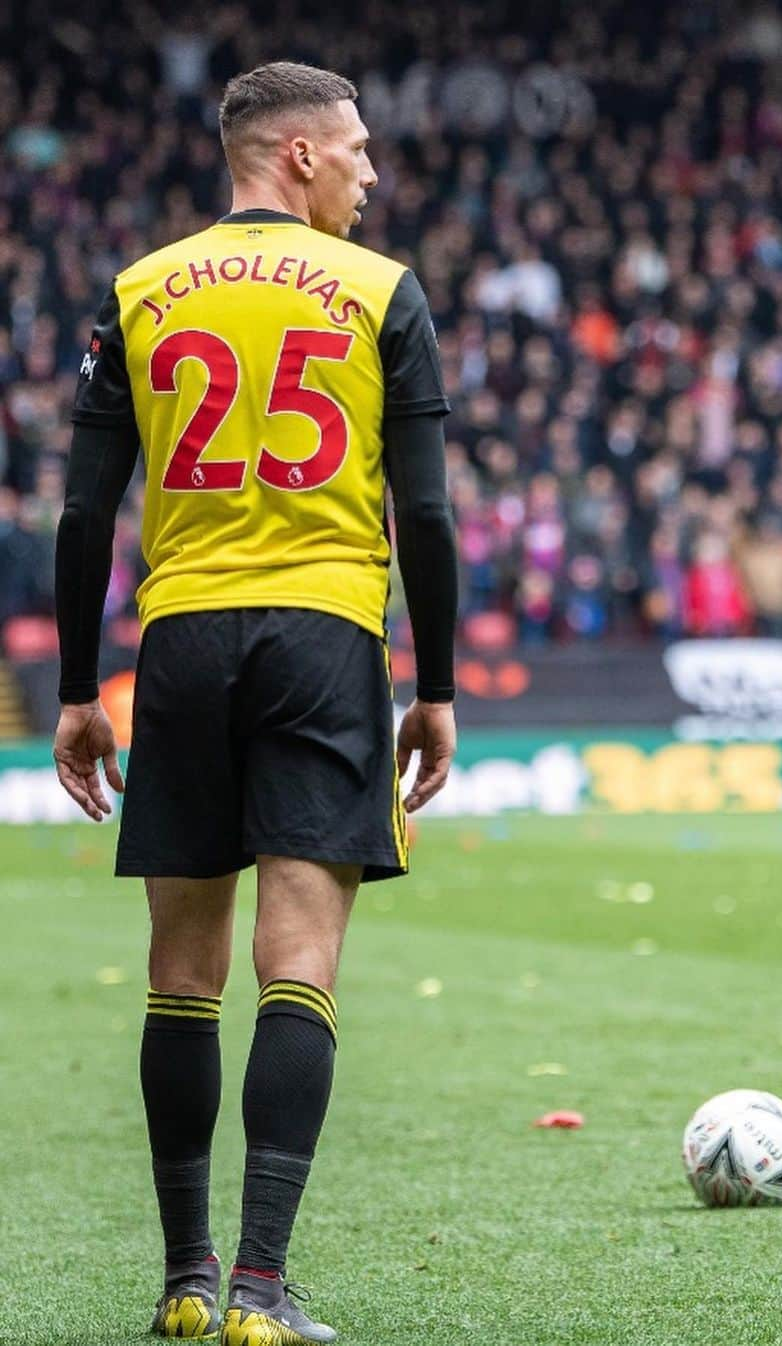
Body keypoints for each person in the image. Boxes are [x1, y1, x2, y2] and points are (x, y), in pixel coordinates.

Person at [52, 62, 458, 1346]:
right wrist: (436, 684)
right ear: (296, 157)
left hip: (180, 640)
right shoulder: (383, 290)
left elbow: (81, 514)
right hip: (323, 635)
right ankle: (263, 1294)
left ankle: (184, 1281)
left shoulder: (138, 290)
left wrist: (74, 686)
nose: (371, 174)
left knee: (182, 976)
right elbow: (430, 513)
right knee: (301, 964)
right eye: (358, 151)